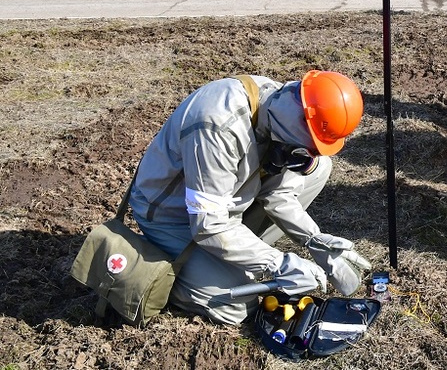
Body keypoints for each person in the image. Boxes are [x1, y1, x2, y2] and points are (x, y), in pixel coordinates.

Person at [129, 70, 371, 325]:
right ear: (300, 118)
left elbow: (279, 194)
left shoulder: (280, 108)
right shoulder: (217, 125)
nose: (308, 152)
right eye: (308, 145)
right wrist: (277, 262)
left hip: (227, 204)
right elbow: (209, 225)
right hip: (172, 216)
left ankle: (234, 260)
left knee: (318, 169)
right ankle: (172, 271)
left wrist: (313, 239)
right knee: (236, 307)